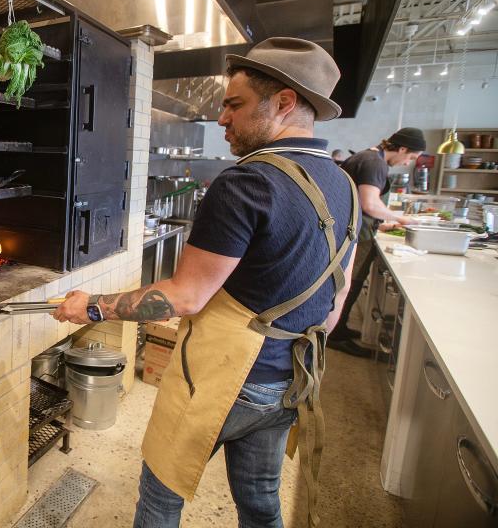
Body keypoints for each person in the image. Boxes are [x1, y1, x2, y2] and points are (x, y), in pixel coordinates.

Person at [52, 37, 360, 528]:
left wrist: (93, 307)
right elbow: (336, 297)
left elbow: (183, 298)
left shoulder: (247, 183)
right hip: (292, 379)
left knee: (161, 495)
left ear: (283, 103)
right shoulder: (344, 184)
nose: (222, 119)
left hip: (227, 379)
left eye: (234, 105)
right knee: (260, 503)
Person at [327, 128, 425, 356]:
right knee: (351, 283)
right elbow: (369, 204)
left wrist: (381, 224)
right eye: (410, 157)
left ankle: (339, 328)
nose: (406, 162)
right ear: (401, 148)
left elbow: (358, 205)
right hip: (356, 235)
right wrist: (404, 218)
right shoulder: (375, 163)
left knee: (350, 283)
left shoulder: (365, 157)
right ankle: (336, 334)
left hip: (353, 229)